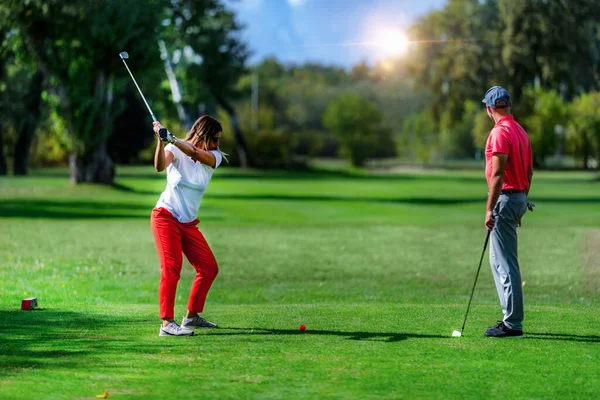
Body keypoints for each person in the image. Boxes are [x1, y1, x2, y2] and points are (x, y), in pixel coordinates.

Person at [151, 115, 226, 337]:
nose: (217, 144)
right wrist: (160, 141)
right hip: (165, 216)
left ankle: (191, 317)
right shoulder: (174, 149)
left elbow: (194, 152)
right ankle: (166, 324)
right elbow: (158, 166)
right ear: (203, 133)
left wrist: (171, 138)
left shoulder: (214, 156)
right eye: (214, 138)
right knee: (172, 268)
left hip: (188, 223)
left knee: (209, 268)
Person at [481, 86, 533, 338]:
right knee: (497, 261)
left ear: (490, 109)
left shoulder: (500, 133)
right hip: (519, 197)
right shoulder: (520, 131)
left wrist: (489, 209)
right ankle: (508, 317)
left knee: (506, 262)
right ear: (509, 106)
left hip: (506, 198)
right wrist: (522, 202)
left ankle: (513, 323)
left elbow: (498, 174)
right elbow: (530, 172)